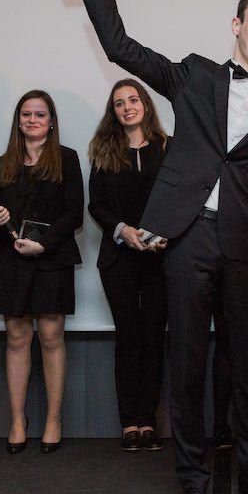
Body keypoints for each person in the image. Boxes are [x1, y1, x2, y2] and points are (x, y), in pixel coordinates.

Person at [82, 0, 248, 494]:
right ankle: (194, 483)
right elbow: (120, 46)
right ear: (237, 23)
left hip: (243, 246)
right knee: (187, 362)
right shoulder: (193, 76)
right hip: (185, 240)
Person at [0, 90, 83, 455]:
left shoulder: (67, 159)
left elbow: (75, 213)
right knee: (16, 338)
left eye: (40, 114)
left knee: (52, 336)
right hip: (12, 258)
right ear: (18, 120)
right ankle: (17, 420)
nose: (32, 120)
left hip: (51, 257)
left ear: (51, 121)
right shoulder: (3, 162)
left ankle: (53, 420)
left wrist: (44, 244)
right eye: (26, 114)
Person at [88, 78, 170, 451]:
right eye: (119, 103)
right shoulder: (105, 151)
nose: (127, 107)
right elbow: (97, 205)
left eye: (132, 100)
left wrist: (159, 234)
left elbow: (180, 200)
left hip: (160, 258)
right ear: (114, 112)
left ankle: (148, 421)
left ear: (145, 105)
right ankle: (129, 423)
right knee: (128, 337)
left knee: (153, 338)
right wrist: (124, 230)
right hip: (118, 257)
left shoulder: (168, 148)